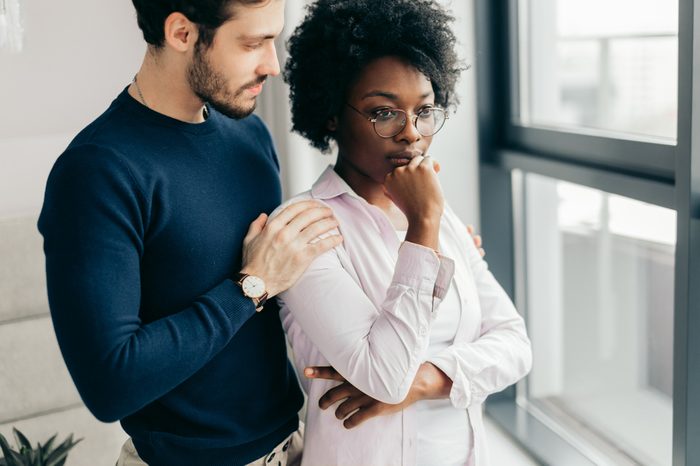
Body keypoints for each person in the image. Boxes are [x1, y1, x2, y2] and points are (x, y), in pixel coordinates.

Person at [37, 1, 345, 465]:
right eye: (253, 42)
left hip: (296, 447)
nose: (273, 65)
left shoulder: (251, 138)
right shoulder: (96, 173)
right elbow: (109, 385)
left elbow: (279, 292)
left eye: (274, 39)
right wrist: (249, 287)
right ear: (181, 33)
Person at [277, 1, 533, 465]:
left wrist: (426, 382)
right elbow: (384, 376)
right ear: (332, 113)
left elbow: (515, 345)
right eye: (383, 113)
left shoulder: (441, 214)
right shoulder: (305, 228)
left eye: (424, 111)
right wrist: (424, 227)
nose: (411, 134)